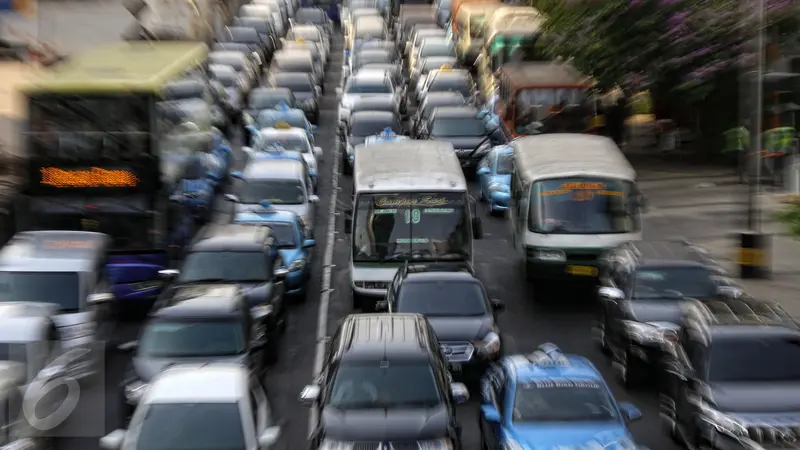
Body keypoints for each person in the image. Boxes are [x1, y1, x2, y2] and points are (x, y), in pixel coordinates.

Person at [722, 120, 751, 184]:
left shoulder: (746, 131)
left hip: (743, 149)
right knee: (744, 165)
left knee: (743, 165)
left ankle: (742, 178)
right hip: (743, 149)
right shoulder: (743, 131)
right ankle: (742, 179)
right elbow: (744, 141)